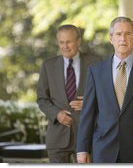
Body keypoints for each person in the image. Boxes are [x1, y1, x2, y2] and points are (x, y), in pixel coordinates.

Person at [76, 16, 133, 163]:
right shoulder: (96, 71)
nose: (123, 39)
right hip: (103, 149)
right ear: (111, 38)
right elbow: (88, 113)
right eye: (118, 34)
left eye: (128, 34)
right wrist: (82, 148)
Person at [37, 24, 100, 163]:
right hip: (57, 138)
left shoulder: (96, 62)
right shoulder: (48, 66)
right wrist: (57, 114)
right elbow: (42, 99)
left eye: (69, 42)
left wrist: (89, 103)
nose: (65, 46)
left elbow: (107, 95)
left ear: (78, 41)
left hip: (88, 136)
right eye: (61, 42)